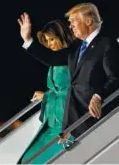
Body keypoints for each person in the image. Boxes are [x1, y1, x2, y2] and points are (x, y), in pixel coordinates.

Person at [18, 2, 119, 143]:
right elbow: (52, 59)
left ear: (88, 21)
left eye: (74, 21)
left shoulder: (107, 44)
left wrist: (99, 96)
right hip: (79, 123)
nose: (71, 26)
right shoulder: (76, 51)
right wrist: (27, 40)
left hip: (101, 118)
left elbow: (118, 79)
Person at [17, 20, 78, 164]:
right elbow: (58, 90)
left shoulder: (71, 57)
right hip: (52, 120)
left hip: (66, 121)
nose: (50, 44)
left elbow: (71, 90)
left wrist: (27, 40)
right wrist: (46, 95)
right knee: (27, 160)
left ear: (62, 37)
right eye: (47, 41)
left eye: (52, 39)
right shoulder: (57, 62)